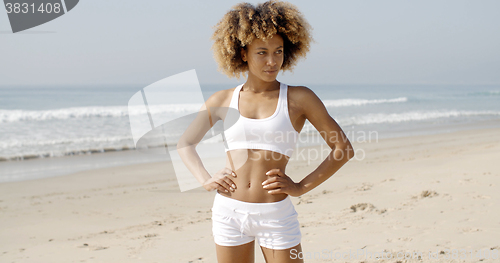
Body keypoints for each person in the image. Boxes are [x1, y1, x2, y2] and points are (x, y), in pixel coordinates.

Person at [177, 1, 354, 262]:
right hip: (229, 212)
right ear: (244, 53)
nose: (272, 61)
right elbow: (185, 143)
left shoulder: (299, 98)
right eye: (262, 52)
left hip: (275, 214)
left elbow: (343, 149)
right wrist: (205, 179)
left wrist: (301, 186)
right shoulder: (223, 99)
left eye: (278, 52)